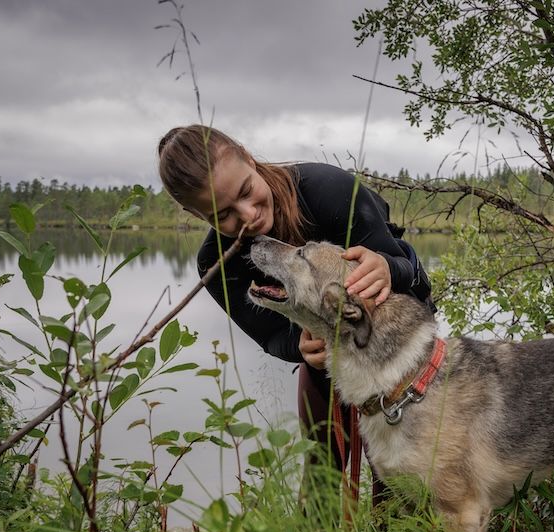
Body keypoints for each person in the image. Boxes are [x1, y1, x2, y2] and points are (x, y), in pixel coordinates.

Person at [157, 125, 434, 496]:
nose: (248, 216)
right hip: (327, 362)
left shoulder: (329, 191)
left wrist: (387, 266)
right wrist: (301, 347)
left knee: (397, 477)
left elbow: (417, 284)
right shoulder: (217, 262)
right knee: (320, 472)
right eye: (223, 214)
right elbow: (270, 336)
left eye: (246, 191)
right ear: (197, 215)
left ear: (249, 158)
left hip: (395, 355)